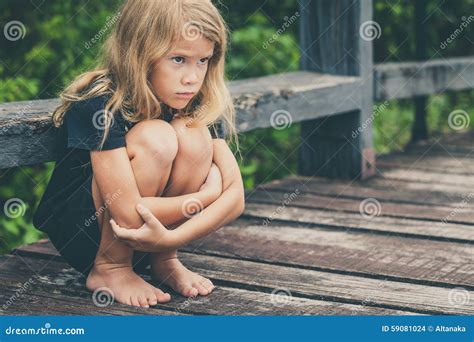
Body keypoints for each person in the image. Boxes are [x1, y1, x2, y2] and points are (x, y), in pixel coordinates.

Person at [33, 0, 245, 308]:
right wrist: (208, 196)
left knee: (191, 133)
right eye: (178, 59)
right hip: (87, 232)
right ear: (140, 54)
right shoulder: (100, 104)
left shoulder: (196, 103)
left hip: (152, 235)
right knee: (156, 137)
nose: (192, 77)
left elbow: (236, 198)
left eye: (203, 61)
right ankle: (111, 267)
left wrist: (169, 241)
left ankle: (164, 260)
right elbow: (129, 212)